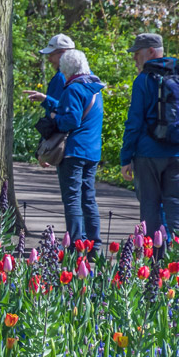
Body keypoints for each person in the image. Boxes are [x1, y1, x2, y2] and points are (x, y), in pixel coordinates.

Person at [118, 33, 179, 242]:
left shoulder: (144, 80)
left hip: (149, 154)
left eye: (137, 54)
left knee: (150, 206)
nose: (135, 59)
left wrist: (125, 157)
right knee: (177, 204)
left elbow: (134, 123)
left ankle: (155, 262)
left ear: (151, 52)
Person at [52, 49, 105, 250]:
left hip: (74, 151)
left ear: (66, 69)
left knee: (73, 199)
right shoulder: (95, 89)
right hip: (92, 152)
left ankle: (76, 245)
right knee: (88, 198)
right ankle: (95, 245)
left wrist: (54, 119)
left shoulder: (73, 89)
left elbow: (71, 121)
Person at [23, 33, 75, 116]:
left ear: (63, 53)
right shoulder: (85, 75)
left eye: (51, 55)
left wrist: (45, 99)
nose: (49, 59)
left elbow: (60, 110)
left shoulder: (61, 77)